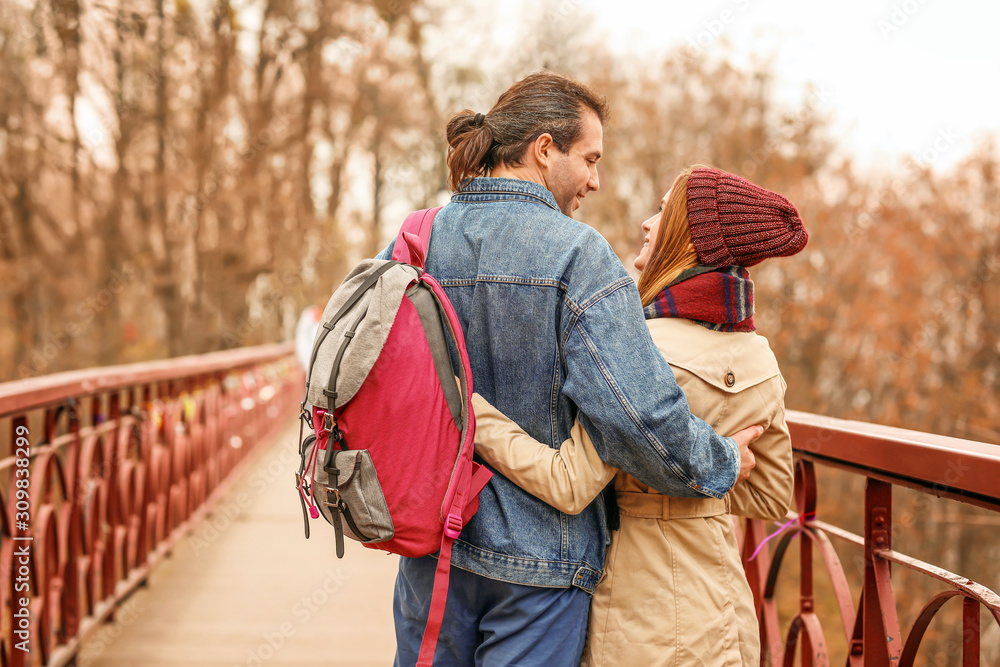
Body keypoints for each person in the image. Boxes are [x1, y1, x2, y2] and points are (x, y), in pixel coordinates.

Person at [377, 72, 761, 667]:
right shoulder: (579, 255)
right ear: (544, 148)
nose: (595, 180)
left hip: (434, 552)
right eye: (590, 158)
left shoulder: (418, 237)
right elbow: (639, 416)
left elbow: (376, 369)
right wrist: (724, 461)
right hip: (542, 570)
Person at [471, 165, 808, 666]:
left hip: (646, 615)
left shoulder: (638, 350)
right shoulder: (758, 354)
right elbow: (771, 495)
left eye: (664, 211)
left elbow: (569, 483)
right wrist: (711, 468)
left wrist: (472, 411)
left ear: (689, 241)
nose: (649, 223)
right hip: (726, 612)